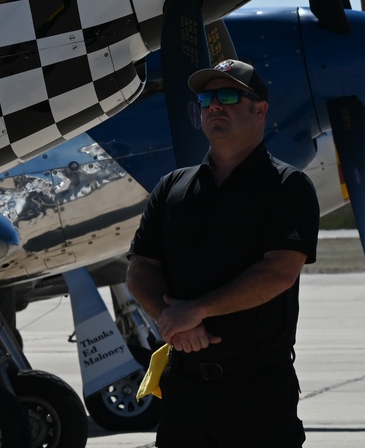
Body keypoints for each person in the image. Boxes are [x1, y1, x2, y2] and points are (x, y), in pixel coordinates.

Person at [126, 59, 320, 447]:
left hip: (257, 393)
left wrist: (197, 310)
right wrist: (173, 319)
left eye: (229, 95)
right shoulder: (171, 188)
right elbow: (141, 270)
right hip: (184, 391)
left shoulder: (288, 187)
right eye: (206, 97)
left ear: (260, 110)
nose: (214, 105)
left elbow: (279, 272)